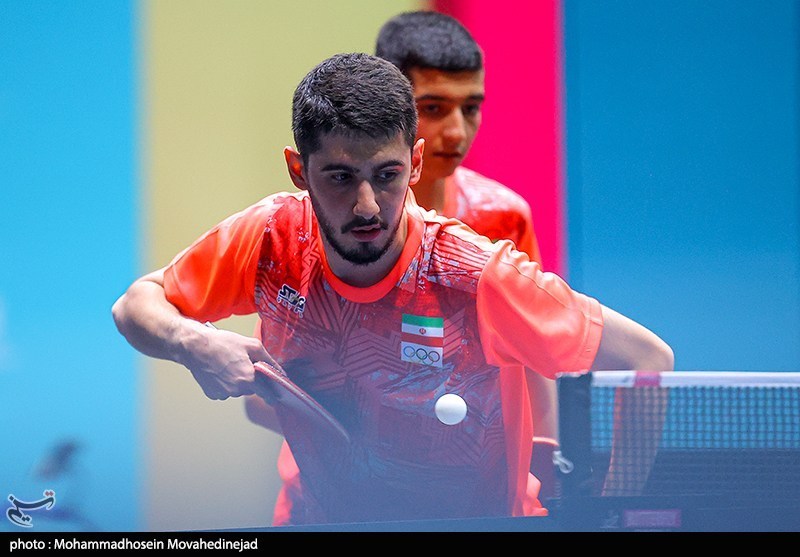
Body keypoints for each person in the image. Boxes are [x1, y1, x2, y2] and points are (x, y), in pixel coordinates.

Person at [112, 52, 674, 526]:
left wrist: (614, 515)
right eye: (340, 177)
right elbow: (136, 303)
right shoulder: (271, 238)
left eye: (386, 175)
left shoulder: (472, 274)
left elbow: (647, 357)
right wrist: (192, 342)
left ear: (415, 163)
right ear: (298, 170)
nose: (367, 206)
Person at [245, 10, 561, 521]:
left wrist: (545, 478)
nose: (456, 131)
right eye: (433, 108)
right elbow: (262, 397)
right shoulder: (320, 224)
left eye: (471, 108)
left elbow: (532, 365)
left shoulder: (503, 218)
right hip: (328, 507)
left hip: (466, 507)